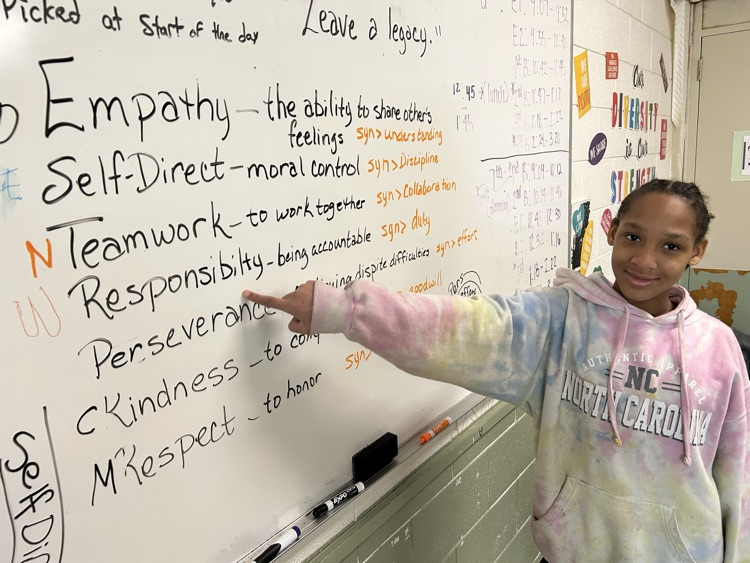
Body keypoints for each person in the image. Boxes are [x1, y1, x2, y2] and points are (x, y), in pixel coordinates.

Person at [243, 179, 749, 562]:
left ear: (697, 252)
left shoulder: (717, 349)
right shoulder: (559, 322)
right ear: (612, 229)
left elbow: (736, 474)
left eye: (671, 246)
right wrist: (343, 310)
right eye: (633, 236)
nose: (644, 259)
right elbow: (460, 328)